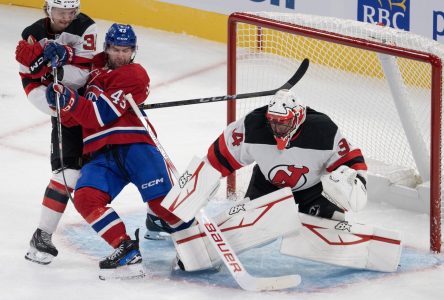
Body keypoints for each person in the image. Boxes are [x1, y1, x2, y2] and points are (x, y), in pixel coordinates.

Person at [45, 23, 189, 278]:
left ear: (133, 51)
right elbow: (84, 60)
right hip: (101, 155)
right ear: (107, 48)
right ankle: (125, 248)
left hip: (135, 145)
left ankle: (196, 246)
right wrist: (64, 58)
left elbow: (98, 116)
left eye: (126, 50)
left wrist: (70, 101)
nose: (121, 55)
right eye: (115, 49)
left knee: (162, 203)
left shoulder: (134, 74)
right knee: (86, 197)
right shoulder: (96, 68)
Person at [15, 0, 97, 265]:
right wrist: (54, 103)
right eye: (60, 11)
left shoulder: (86, 27)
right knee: (69, 173)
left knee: (128, 155)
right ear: (47, 10)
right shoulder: (32, 33)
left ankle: (158, 216)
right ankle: (42, 235)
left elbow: (88, 71)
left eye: (71, 11)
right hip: (68, 112)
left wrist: (61, 60)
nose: (66, 16)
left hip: (96, 105)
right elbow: (30, 81)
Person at [206, 89, 368, 219]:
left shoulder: (323, 130)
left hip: (312, 192)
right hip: (266, 187)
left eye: (283, 124)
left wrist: (357, 181)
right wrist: (198, 183)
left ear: (298, 118)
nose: (277, 129)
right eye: (273, 122)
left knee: (335, 221)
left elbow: (350, 158)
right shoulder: (252, 126)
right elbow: (218, 158)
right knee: (243, 220)